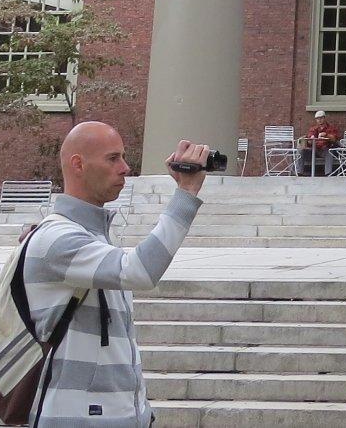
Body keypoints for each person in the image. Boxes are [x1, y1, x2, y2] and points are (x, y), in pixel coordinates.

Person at [22, 121, 207, 428]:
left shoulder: (92, 238)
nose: (125, 167)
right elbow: (141, 271)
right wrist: (186, 192)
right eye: (112, 158)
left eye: (123, 156)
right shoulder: (57, 239)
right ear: (78, 164)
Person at [303, 110, 341, 176]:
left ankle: (328, 173)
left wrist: (326, 135)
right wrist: (310, 139)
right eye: (317, 119)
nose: (319, 120)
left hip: (325, 149)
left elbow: (334, 139)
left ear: (324, 118)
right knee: (301, 150)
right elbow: (309, 137)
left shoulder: (331, 128)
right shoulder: (313, 128)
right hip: (314, 149)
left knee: (329, 152)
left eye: (321, 118)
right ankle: (298, 173)